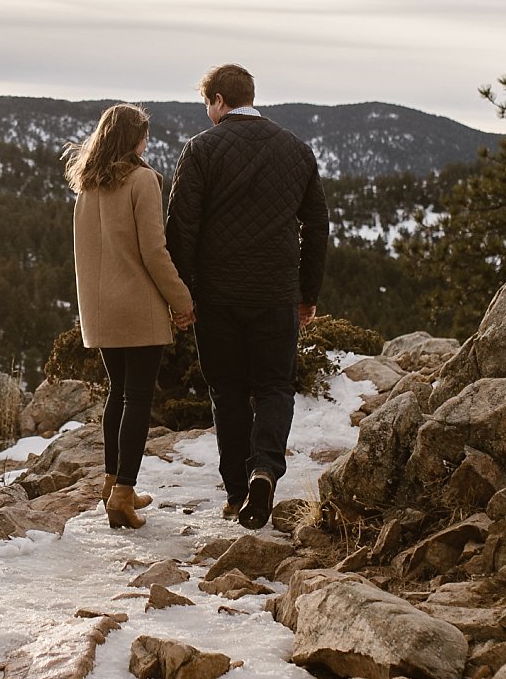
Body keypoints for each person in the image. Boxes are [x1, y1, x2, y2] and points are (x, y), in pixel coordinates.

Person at [166, 64, 328, 530]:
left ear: (218, 100)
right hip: (276, 294)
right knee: (275, 387)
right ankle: (265, 470)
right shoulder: (297, 149)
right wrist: (307, 293)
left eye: (207, 104)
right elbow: (317, 225)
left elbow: (182, 228)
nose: (208, 113)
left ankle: (237, 492)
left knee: (228, 391)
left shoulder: (200, 149)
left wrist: (183, 293)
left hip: (217, 296)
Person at [66, 103, 196, 530]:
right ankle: (123, 494)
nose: (148, 141)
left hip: (100, 309)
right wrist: (182, 301)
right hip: (137, 305)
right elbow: (154, 253)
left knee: (118, 393)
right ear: (133, 139)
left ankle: (112, 483)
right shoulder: (143, 181)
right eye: (144, 134)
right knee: (138, 397)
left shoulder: (86, 186)